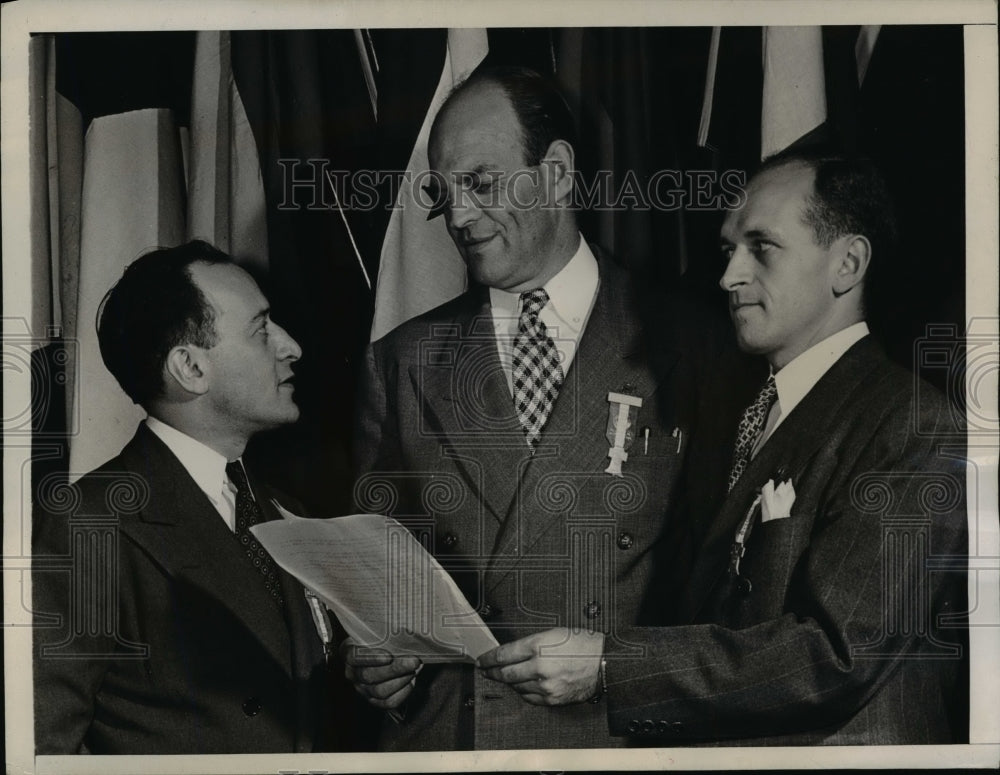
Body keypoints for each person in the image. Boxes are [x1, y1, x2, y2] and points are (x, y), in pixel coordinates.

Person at [485, 152, 969, 744]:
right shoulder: (750, 410)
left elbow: (836, 656)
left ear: (848, 263)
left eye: (761, 248)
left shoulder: (913, 424)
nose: (728, 277)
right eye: (727, 251)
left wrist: (612, 664)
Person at [347, 66, 723, 750]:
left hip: (619, 742)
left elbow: (726, 598)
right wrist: (373, 655)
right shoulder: (401, 360)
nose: (457, 217)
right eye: (445, 192)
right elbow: (378, 572)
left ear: (555, 173)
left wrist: (617, 668)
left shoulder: (691, 343)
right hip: (453, 743)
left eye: (481, 184)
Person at [32, 240, 350, 753]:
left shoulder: (283, 510)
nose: (291, 346)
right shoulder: (88, 524)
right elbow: (40, 747)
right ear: (191, 368)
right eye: (261, 330)